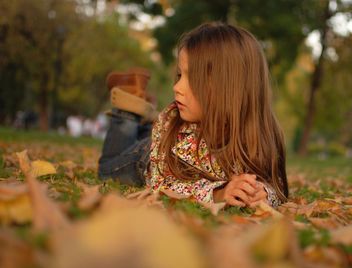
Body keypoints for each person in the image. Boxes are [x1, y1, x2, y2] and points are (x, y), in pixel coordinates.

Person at [98, 22, 289, 208]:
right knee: (106, 169)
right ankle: (128, 107)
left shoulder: (262, 135)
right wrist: (218, 193)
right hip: (147, 158)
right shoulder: (173, 122)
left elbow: (276, 184)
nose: (176, 87)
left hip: (159, 140)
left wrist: (262, 193)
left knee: (147, 133)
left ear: (230, 89)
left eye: (192, 79)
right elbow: (162, 185)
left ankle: (144, 118)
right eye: (180, 75)